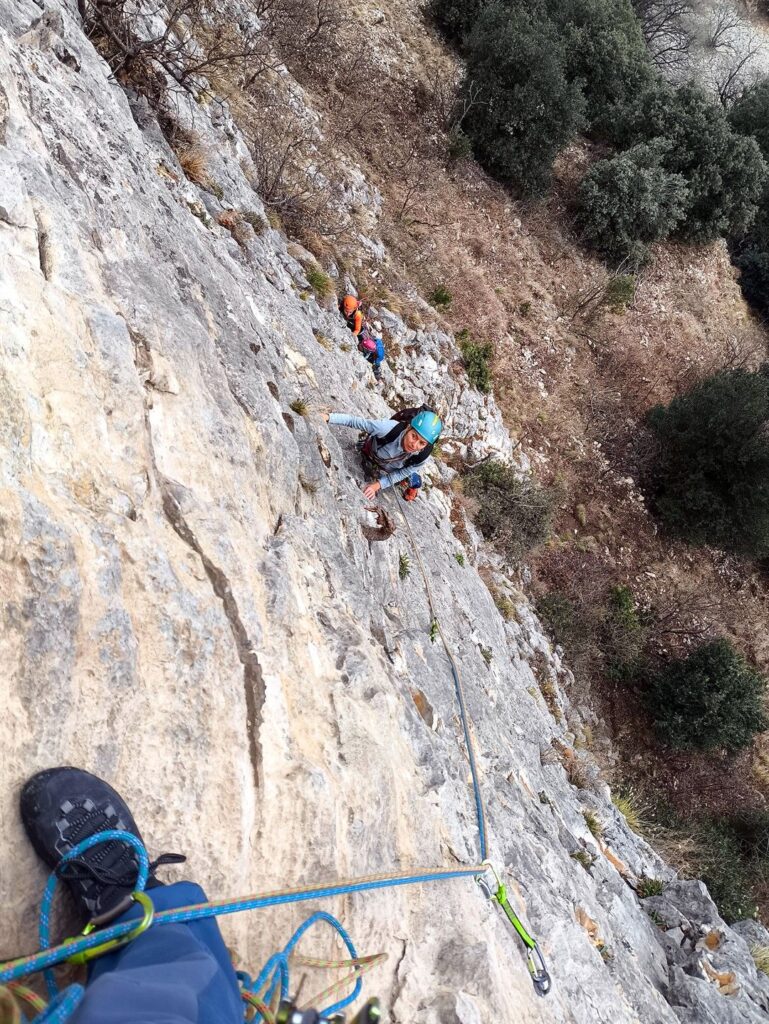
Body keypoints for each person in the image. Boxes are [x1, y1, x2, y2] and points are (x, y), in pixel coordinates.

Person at [322, 408, 442, 500]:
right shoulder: (388, 428)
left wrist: (377, 485)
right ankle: (365, 445)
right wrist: (328, 417)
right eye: (413, 436)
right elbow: (354, 421)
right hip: (372, 452)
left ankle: (412, 490)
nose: (414, 445)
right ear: (408, 428)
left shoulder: (421, 456)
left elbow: (401, 473)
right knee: (365, 447)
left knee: (413, 480)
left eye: (422, 443)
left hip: (392, 467)